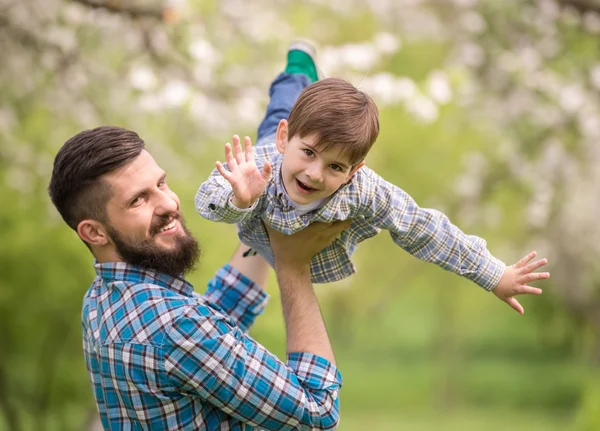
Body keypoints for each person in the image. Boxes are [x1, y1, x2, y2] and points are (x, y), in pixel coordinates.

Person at [195, 41, 550, 314]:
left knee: (298, 124)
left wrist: (493, 274)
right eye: (309, 154)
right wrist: (239, 200)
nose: (315, 174)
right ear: (287, 141)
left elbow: (423, 228)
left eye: (336, 167)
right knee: (281, 105)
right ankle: (299, 65)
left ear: (355, 170)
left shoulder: (365, 191)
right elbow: (207, 201)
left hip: (295, 206)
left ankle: (306, 112)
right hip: (272, 160)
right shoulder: (257, 166)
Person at [48, 125, 350, 430]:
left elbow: (215, 323)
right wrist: (292, 265)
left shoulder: (103, 298)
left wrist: (266, 216)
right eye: (138, 200)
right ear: (94, 232)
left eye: (161, 184)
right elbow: (318, 414)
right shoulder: (177, 326)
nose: (169, 204)